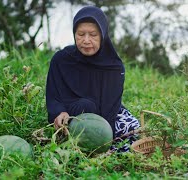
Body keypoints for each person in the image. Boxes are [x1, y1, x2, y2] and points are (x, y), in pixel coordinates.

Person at [46, 6, 140, 152]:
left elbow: (110, 108)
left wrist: (104, 141)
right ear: (74, 34)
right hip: (71, 113)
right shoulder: (61, 60)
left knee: (132, 128)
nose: (86, 40)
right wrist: (59, 112)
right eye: (81, 34)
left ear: (103, 35)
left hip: (104, 114)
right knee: (85, 105)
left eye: (93, 34)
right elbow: (53, 96)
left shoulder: (114, 67)